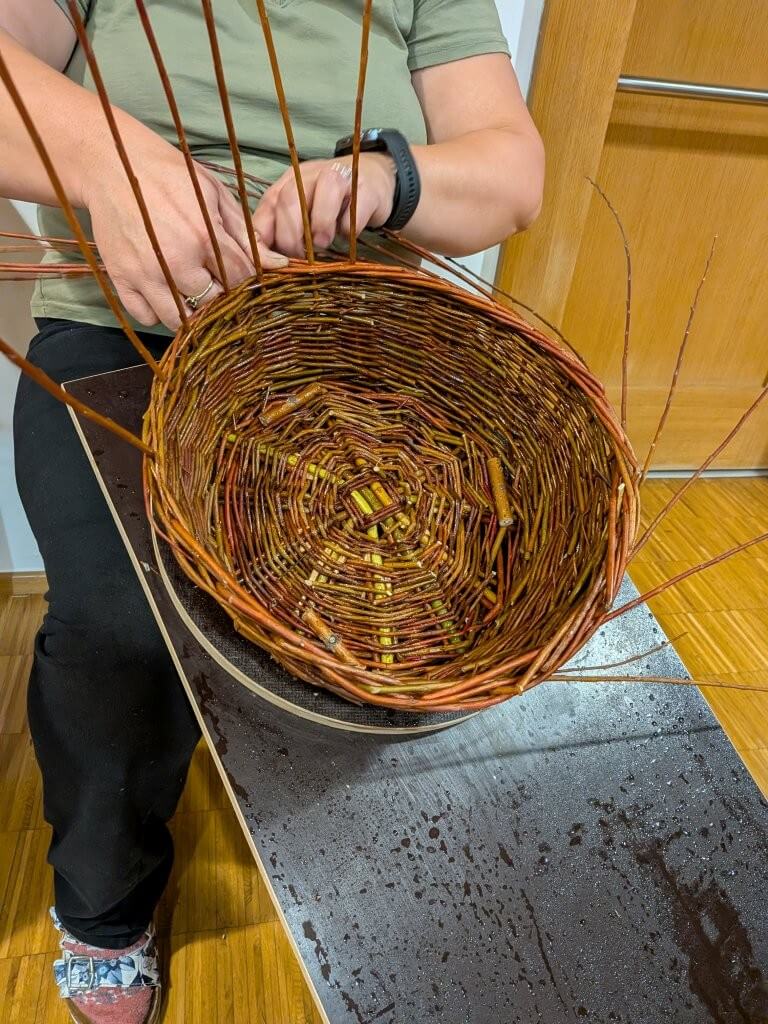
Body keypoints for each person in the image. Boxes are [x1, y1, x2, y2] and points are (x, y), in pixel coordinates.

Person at [0, 1, 544, 1021]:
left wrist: (384, 180)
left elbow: (512, 176)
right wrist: (110, 160)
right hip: (129, 331)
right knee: (125, 624)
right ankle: (105, 902)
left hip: (349, 339)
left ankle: (382, 868)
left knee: (438, 598)